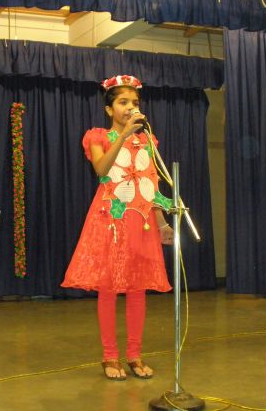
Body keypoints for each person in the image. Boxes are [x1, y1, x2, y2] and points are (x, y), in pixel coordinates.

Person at [61, 75, 173, 381]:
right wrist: (123, 136)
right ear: (109, 109)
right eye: (123, 102)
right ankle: (110, 356)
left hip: (142, 221)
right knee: (109, 289)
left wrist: (162, 223)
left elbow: (151, 184)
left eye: (134, 102)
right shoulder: (97, 137)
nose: (130, 107)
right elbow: (101, 169)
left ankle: (135, 354)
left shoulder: (148, 141)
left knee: (138, 288)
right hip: (111, 220)